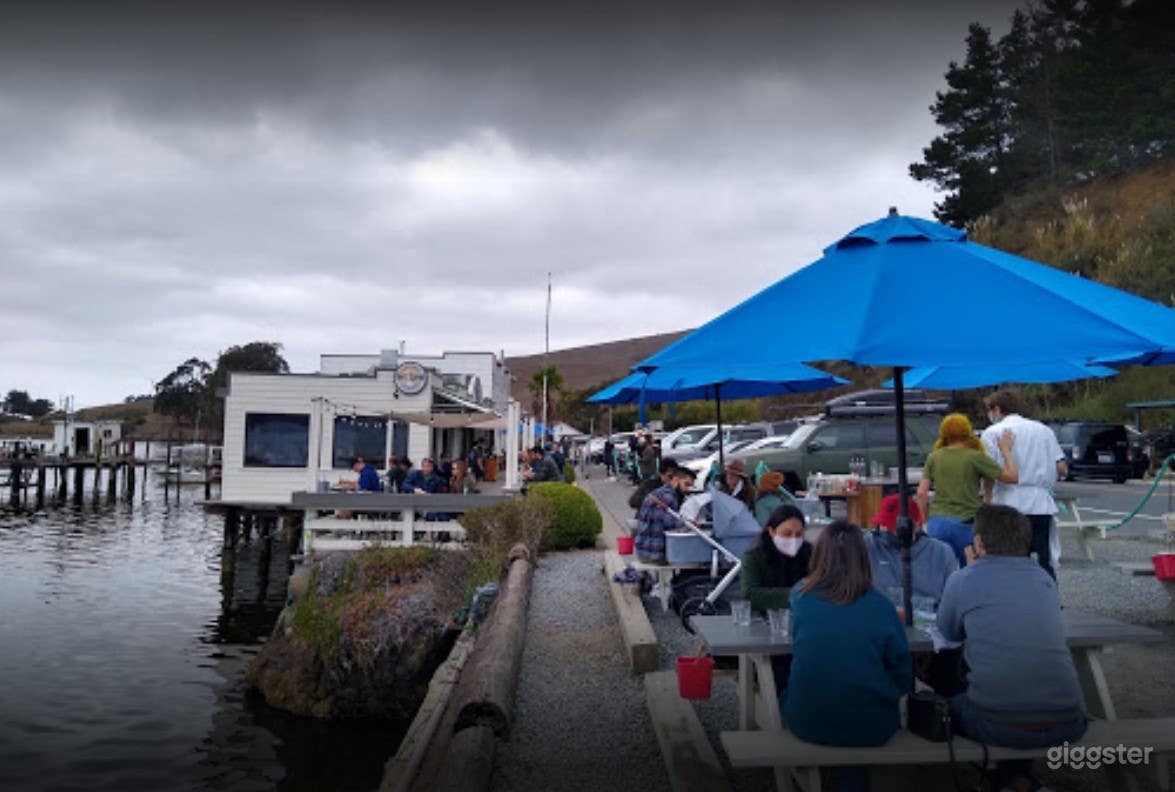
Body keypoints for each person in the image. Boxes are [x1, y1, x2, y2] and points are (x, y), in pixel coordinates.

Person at [938, 504, 1087, 791]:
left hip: (996, 724)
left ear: (979, 542)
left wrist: (972, 571)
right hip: (1068, 721)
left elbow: (948, 632)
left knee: (950, 700)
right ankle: (1015, 778)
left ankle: (999, 778)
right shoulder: (1043, 578)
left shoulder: (963, 579)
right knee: (1020, 691)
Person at [784, 521, 912, 792]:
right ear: (863, 558)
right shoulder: (881, 606)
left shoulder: (800, 596)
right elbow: (903, 672)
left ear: (819, 555)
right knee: (857, 702)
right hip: (872, 726)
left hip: (809, 720)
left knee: (790, 689)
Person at [864, 493, 962, 695]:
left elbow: (953, 604)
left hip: (932, 637)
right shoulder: (867, 547)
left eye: (894, 527)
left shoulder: (942, 553)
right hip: (880, 634)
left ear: (917, 524)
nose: (887, 531)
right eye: (885, 525)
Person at [981, 389, 1068, 578]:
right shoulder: (1043, 430)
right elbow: (1061, 466)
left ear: (996, 410)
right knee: (1042, 560)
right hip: (1041, 504)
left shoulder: (992, 433)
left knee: (1009, 560)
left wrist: (986, 499)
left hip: (1007, 503)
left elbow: (989, 472)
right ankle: (1047, 598)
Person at [918, 413, 1018, 567]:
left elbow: (921, 493)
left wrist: (925, 518)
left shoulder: (934, 457)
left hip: (937, 523)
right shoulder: (975, 457)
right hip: (965, 522)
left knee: (939, 570)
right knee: (970, 569)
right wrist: (1006, 451)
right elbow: (1011, 477)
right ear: (967, 431)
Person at [634, 466, 696, 564]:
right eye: (686, 484)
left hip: (643, 550)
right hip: (654, 554)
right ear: (675, 480)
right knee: (694, 559)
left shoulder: (659, 492)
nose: (687, 489)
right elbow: (669, 523)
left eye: (690, 486)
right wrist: (688, 523)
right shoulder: (668, 497)